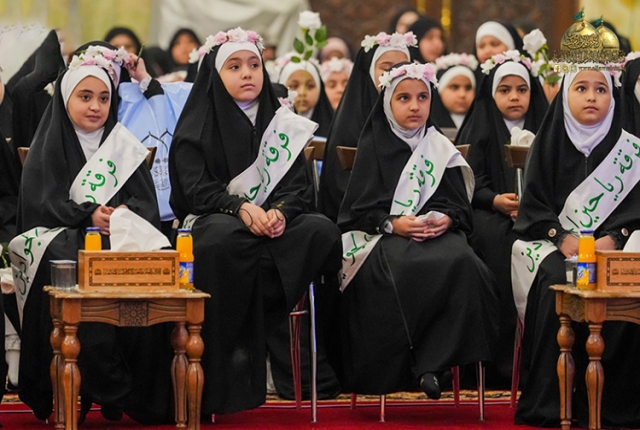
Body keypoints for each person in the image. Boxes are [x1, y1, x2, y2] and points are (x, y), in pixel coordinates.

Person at [168, 28, 342, 415]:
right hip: (218, 220)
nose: (247, 73)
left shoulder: (281, 123)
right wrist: (241, 208)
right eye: (234, 66)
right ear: (216, 75)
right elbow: (196, 190)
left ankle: (262, 318)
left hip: (269, 231)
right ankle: (237, 359)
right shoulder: (198, 124)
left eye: (254, 65)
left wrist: (281, 212)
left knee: (321, 231)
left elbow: (298, 187)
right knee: (221, 239)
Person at [10, 42, 173, 424]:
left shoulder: (122, 145)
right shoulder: (48, 146)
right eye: (85, 96)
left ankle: (134, 389)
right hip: (66, 240)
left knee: (152, 258)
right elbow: (40, 206)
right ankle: (104, 381)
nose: (95, 106)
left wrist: (124, 215)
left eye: (103, 97)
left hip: (118, 243)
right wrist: (87, 215)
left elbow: (146, 206)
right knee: (67, 254)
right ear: (66, 98)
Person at [338, 61, 498, 398]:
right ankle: (418, 367)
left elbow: (459, 206)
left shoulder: (438, 146)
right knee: (405, 266)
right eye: (404, 98)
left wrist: (447, 219)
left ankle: (436, 364)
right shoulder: (373, 144)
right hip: (386, 238)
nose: (414, 106)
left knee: (465, 263)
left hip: (438, 235)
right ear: (388, 102)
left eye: (422, 97)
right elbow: (359, 211)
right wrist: (393, 223)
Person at [512, 17, 640, 428]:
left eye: (600, 89)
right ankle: (554, 402)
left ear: (612, 96)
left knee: (625, 278)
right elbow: (533, 206)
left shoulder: (629, 149)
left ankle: (615, 405)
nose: (591, 97)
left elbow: (636, 207)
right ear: (566, 93)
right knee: (557, 276)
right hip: (555, 245)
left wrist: (616, 237)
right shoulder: (549, 141)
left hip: (611, 246)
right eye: (581, 88)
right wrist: (561, 236)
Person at [455, 53, 548, 388]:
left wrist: (533, 206)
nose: (514, 97)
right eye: (505, 90)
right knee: (499, 244)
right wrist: (494, 199)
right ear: (492, 94)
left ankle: (536, 365)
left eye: (522, 90)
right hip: (489, 215)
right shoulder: (481, 125)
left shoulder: (547, 127)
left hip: (540, 216)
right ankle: (498, 365)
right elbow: (467, 179)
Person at [319, 31, 418, 222]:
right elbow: (341, 190)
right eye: (386, 68)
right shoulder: (350, 123)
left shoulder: (419, 117)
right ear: (369, 72)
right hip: (368, 222)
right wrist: (389, 220)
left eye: (403, 68)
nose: (395, 75)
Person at [275, 55, 333, 137]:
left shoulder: (333, 129)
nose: (302, 93)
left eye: (310, 86)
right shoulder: (272, 126)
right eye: (294, 86)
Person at [430, 53, 478, 133]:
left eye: (468, 88)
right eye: (454, 87)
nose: (462, 94)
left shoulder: (482, 124)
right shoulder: (429, 126)